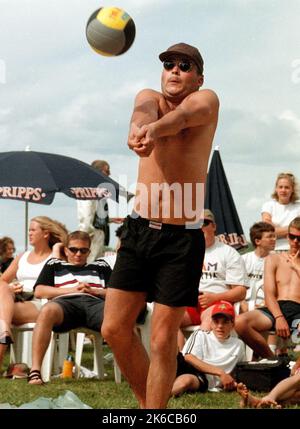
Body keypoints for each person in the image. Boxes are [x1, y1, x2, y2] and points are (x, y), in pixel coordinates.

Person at [101, 42, 219, 409]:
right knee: (114, 329)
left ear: (198, 77)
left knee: (163, 338)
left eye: (185, 66)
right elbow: (142, 111)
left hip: (180, 238)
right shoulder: (148, 96)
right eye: (169, 64)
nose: (175, 70)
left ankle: (154, 414)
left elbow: (181, 120)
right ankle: (147, 405)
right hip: (138, 230)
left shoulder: (207, 101)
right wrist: (140, 128)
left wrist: (154, 130)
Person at [27, 230, 112, 385]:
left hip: (95, 303)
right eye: (73, 249)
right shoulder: (55, 264)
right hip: (65, 304)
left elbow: (117, 293)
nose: (78, 254)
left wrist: (95, 291)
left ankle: (136, 372)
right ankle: (35, 371)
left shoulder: (101, 265)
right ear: (66, 250)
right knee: (47, 311)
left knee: (118, 316)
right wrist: (73, 289)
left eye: (83, 250)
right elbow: (39, 291)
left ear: (89, 251)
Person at [0, 216, 68, 371]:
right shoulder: (22, 257)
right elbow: (2, 281)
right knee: (3, 289)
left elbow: (59, 279)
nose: (29, 233)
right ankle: (4, 332)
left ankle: (4, 336)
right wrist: (11, 287)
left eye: (33, 230)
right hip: (16, 299)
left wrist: (57, 248)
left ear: (46, 234)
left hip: (41, 303)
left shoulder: (56, 256)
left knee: (1, 312)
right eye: (29, 230)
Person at [178, 209, 248, 348]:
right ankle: (179, 362)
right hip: (190, 302)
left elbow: (240, 292)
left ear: (214, 226)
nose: (200, 227)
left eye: (205, 223)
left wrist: (214, 297)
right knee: (167, 321)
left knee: (207, 323)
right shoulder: (183, 252)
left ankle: (200, 362)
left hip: (219, 302)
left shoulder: (228, 252)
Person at [235, 217, 300, 359]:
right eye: (292, 237)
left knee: (296, 353)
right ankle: (272, 360)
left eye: (299, 238)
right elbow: (269, 294)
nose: (295, 241)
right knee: (240, 322)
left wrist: (296, 266)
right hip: (279, 307)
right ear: (287, 236)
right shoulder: (274, 258)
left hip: (298, 309)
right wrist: (279, 317)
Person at [172, 301, 245, 397]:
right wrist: (220, 373)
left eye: (225, 322)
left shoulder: (238, 345)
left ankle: (159, 396)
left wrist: (233, 384)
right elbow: (188, 357)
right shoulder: (201, 335)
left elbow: (235, 372)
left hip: (202, 378)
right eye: (216, 321)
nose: (220, 326)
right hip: (188, 367)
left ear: (232, 324)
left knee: (186, 382)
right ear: (211, 323)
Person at [77, 160, 123, 262]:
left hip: (97, 233)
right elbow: (86, 213)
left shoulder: (97, 188)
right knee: (90, 264)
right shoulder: (90, 188)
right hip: (92, 235)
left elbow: (94, 214)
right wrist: (86, 235)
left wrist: (109, 219)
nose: (109, 174)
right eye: (107, 170)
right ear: (100, 172)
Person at [240, 222, 276, 313]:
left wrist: (265, 304)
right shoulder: (243, 259)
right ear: (257, 241)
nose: (274, 239)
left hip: (267, 304)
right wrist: (242, 303)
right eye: (269, 237)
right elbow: (234, 286)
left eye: (274, 236)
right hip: (242, 303)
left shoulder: (277, 260)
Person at [262, 172, 300, 252]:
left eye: (287, 187)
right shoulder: (268, 205)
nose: (283, 190)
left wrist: (277, 231)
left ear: (292, 189)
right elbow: (268, 231)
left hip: (295, 251)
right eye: (280, 187)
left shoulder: (298, 207)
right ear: (276, 189)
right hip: (273, 251)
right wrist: (292, 230)